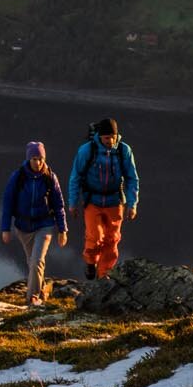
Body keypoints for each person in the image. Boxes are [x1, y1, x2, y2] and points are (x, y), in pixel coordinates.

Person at [66, 117, 140, 280]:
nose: (110, 141)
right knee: (95, 237)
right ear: (99, 136)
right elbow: (75, 177)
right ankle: (91, 262)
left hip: (115, 201)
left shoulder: (123, 151)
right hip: (92, 200)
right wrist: (72, 203)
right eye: (107, 138)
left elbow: (132, 178)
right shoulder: (87, 150)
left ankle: (104, 276)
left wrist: (132, 204)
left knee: (112, 240)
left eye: (113, 137)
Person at [0, 141, 68, 303]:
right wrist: (5, 229)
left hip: (44, 225)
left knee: (37, 260)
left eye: (40, 159)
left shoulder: (50, 178)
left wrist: (62, 229)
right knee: (32, 262)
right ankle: (43, 288)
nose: (38, 163)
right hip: (23, 227)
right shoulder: (18, 177)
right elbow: (8, 203)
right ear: (29, 159)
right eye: (34, 159)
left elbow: (59, 205)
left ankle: (33, 298)